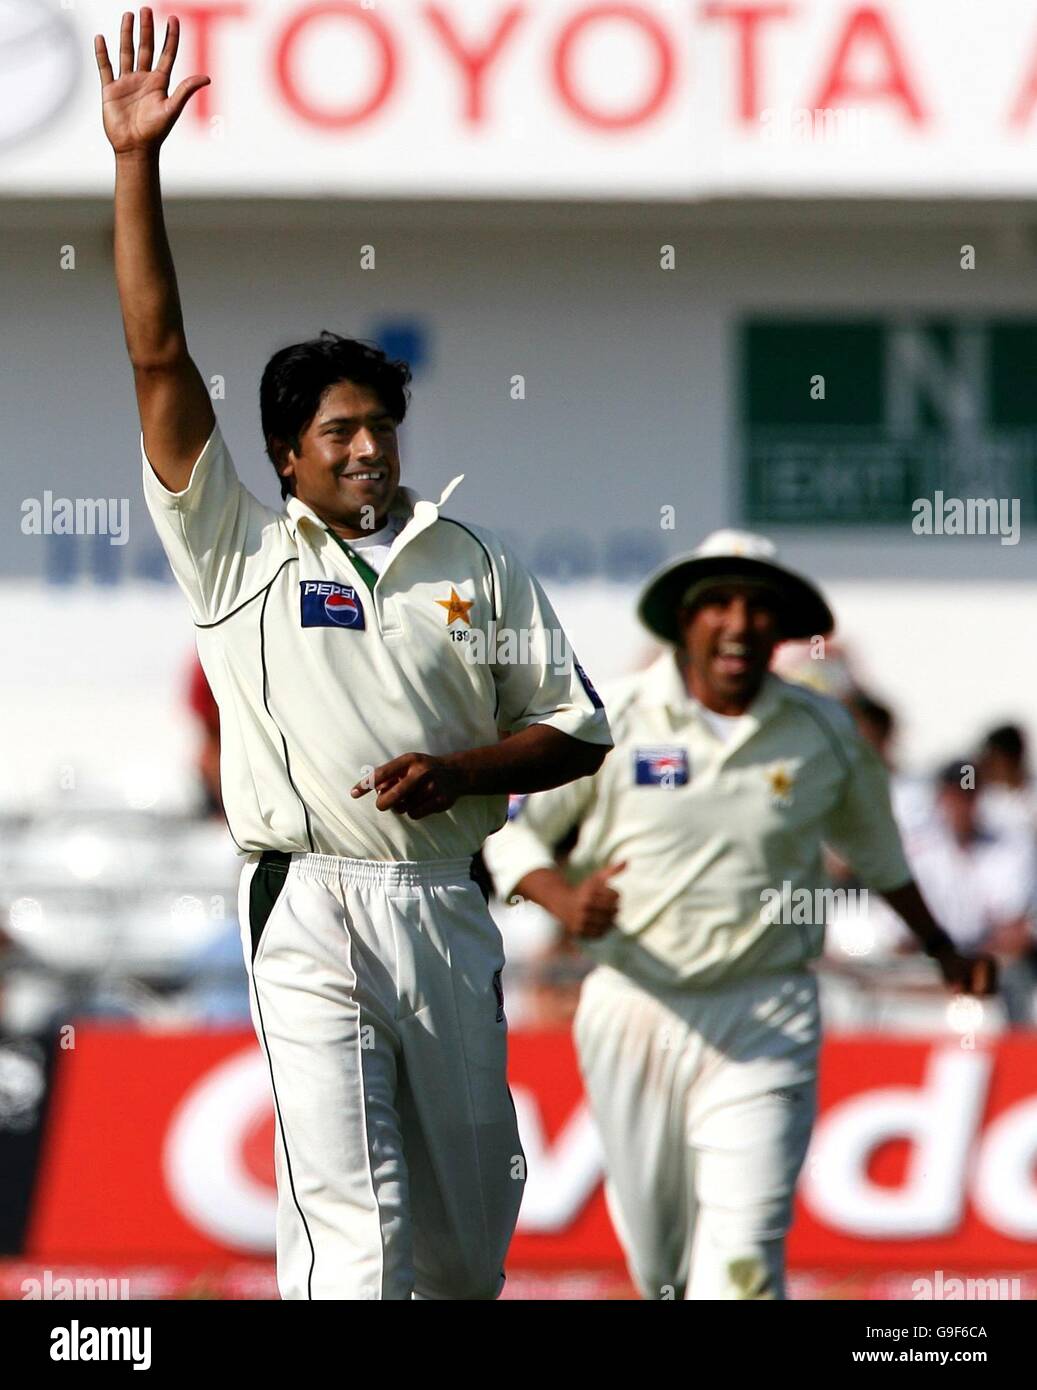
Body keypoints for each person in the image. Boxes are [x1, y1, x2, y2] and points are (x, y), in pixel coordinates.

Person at [96, 9, 612, 1300]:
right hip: (305, 897)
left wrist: (463, 768)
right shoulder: (236, 548)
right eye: (340, 432)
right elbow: (158, 352)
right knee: (347, 1220)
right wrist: (135, 164)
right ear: (284, 455)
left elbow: (574, 729)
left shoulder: (470, 560)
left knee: (459, 1237)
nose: (370, 449)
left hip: (445, 900)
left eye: (380, 426)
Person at [484, 529, 996, 1301]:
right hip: (633, 1004)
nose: (737, 623)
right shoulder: (611, 716)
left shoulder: (823, 733)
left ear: (783, 628)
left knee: (744, 1258)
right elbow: (510, 831)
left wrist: (942, 952)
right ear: (682, 622)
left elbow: (882, 857)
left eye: (758, 608)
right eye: (716, 603)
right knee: (660, 1268)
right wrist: (560, 895)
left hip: (766, 1010)